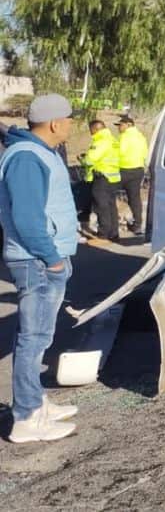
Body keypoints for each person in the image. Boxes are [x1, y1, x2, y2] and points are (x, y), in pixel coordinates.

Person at [0, 94, 80, 442]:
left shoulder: (39, 152)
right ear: (54, 123)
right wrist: (53, 259)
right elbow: (28, 219)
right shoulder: (27, 158)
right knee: (33, 339)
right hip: (37, 261)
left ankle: (35, 402)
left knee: (40, 336)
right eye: (69, 119)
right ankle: (27, 418)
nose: (72, 124)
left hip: (42, 259)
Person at [80, 119, 120, 245]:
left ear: (96, 129)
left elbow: (90, 160)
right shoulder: (113, 140)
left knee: (101, 206)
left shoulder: (101, 141)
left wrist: (82, 159)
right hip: (113, 177)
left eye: (91, 130)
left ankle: (103, 235)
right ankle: (113, 233)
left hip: (102, 177)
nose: (91, 133)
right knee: (111, 205)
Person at [115, 115, 149, 235]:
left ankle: (112, 223)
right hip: (138, 170)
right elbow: (145, 154)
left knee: (108, 194)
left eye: (120, 125)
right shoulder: (141, 137)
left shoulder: (124, 137)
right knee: (134, 197)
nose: (118, 128)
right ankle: (138, 224)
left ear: (128, 125)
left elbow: (119, 152)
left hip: (124, 169)